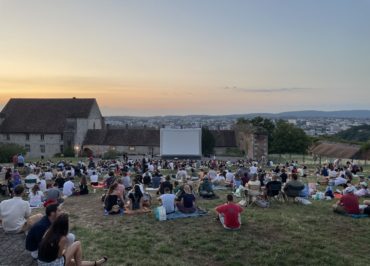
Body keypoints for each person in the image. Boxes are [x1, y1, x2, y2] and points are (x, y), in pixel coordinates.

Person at [38, 213, 107, 266]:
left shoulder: (49, 232)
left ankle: (96, 263)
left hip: (41, 263)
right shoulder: (62, 238)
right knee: (77, 243)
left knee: (73, 261)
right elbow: (59, 256)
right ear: (65, 226)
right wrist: (66, 250)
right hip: (52, 264)